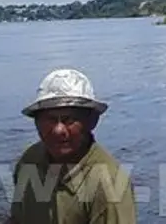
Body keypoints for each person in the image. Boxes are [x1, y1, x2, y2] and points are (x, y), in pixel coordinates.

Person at [9, 69, 137, 224]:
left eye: (69, 120)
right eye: (50, 120)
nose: (58, 130)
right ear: (36, 123)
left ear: (92, 121)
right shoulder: (29, 161)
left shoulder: (109, 186)